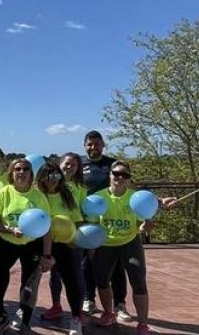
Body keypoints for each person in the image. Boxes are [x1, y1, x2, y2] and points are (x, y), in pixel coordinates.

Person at [0, 158, 53, 335]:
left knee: (29, 286)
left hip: (32, 245)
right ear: (11, 172)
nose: (21, 172)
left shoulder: (39, 197)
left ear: (31, 174)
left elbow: (47, 228)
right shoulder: (2, 193)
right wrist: (9, 229)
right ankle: (0, 317)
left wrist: (47, 256)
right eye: (17, 169)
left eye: (25, 169)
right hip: (6, 243)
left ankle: (24, 322)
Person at [90, 161, 155, 335]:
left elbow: (143, 221)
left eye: (125, 175)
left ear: (129, 179)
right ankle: (108, 314)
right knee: (102, 281)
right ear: (109, 175)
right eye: (116, 173)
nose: (120, 177)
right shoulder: (98, 197)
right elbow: (93, 225)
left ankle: (142, 324)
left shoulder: (136, 198)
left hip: (129, 243)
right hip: (105, 245)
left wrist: (144, 227)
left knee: (138, 281)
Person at [80, 130, 127, 318]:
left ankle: (120, 304)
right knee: (86, 264)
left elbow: (129, 186)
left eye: (97, 144)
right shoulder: (79, 165)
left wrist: (158, 201)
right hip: (86, 222)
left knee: (116, 265)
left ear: (103, 145)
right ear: (85, 146)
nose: (94, 147)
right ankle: (88, 299)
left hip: (110, 221)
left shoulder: (112, 165)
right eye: (90, 144)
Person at [35, 162, 85, 335]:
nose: (52, 180)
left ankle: (76, 318)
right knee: (31, 279)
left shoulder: (67, 194)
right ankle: (24, 314)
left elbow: (77, 220)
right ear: (41, 177)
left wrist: (74, 238)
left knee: (73, 281)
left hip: (66, 245)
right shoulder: (36, 195)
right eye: (48, 176)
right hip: (39, 244)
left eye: (56, 175)